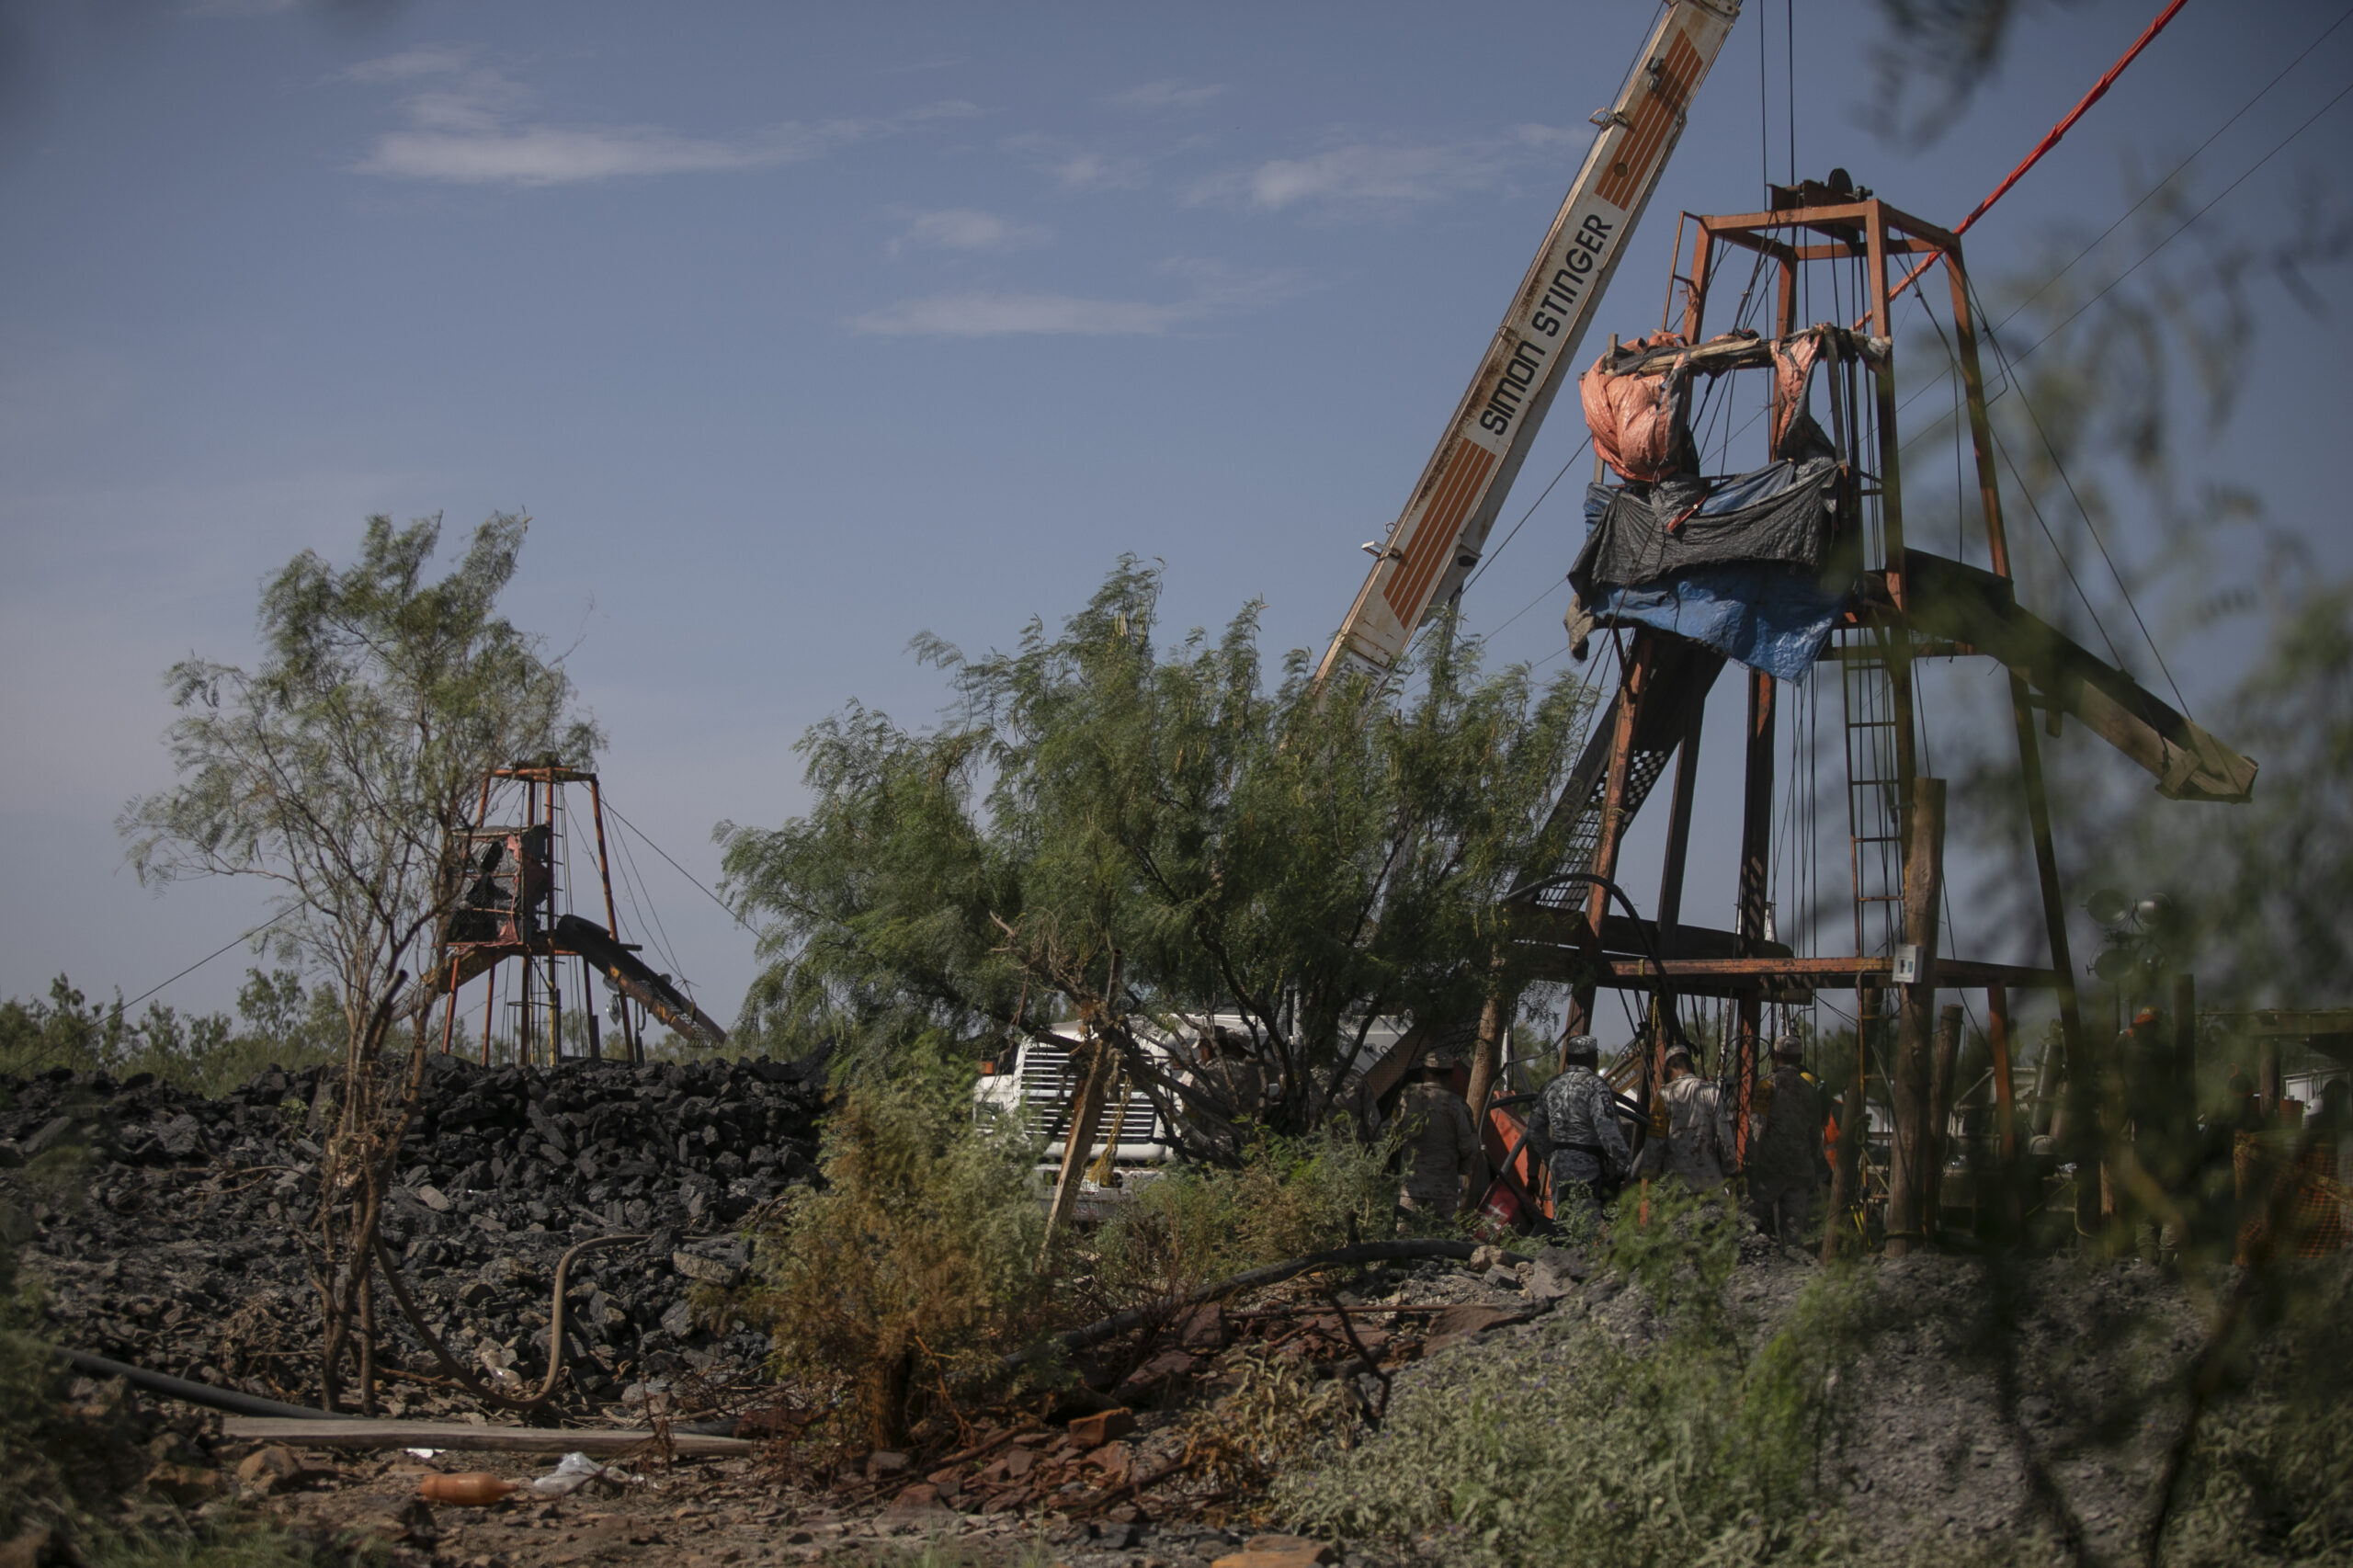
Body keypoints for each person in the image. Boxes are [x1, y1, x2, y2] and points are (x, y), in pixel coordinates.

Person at [1525, 1035, 1630, 1231]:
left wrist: (1550, 1157)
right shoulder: (1596, 1086)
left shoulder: (1550, 1086)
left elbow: (1534, 1130)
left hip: (1559, 1169)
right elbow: (1607, 1131)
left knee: (1562, 1226)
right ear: (1593, 1059)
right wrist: (1625, 1165)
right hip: (1587, 1170)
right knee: (1584, 1230)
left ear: (1568, 1059)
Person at [1748, 1038, 1827, 1243]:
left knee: (1747, 1224)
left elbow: (1757, 1126)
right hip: (1800, 1171)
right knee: (1793, 1236)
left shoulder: (1767, 1085)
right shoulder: (1810, 1091)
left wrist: (1750, 1161)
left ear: (1774, 1056)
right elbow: (1815, 1135)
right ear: (1800, 1058)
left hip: (1770, 1169)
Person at [1394, 1054, 1479, 1224]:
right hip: (1443, 1190)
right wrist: (1462, 1168)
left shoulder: (1408, 1097)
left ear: (1425, 1072)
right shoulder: (1458, 1105)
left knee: (1405, 1242)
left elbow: (1394, 1132)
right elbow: (1468, 1145)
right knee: (1440, 1239)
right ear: (1450, 1075)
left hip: (1411, 1187)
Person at [1638, 1048, 1731, 1192]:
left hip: (1677, 1191)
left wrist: (1647, 1179)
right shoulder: (1713, 1091)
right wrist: (1731, 1170)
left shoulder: (1664, 1095)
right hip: (1710, 1186)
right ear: (1689, 1065)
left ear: (1669, 1069)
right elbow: (1724, 1137)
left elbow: (1655, 1143)